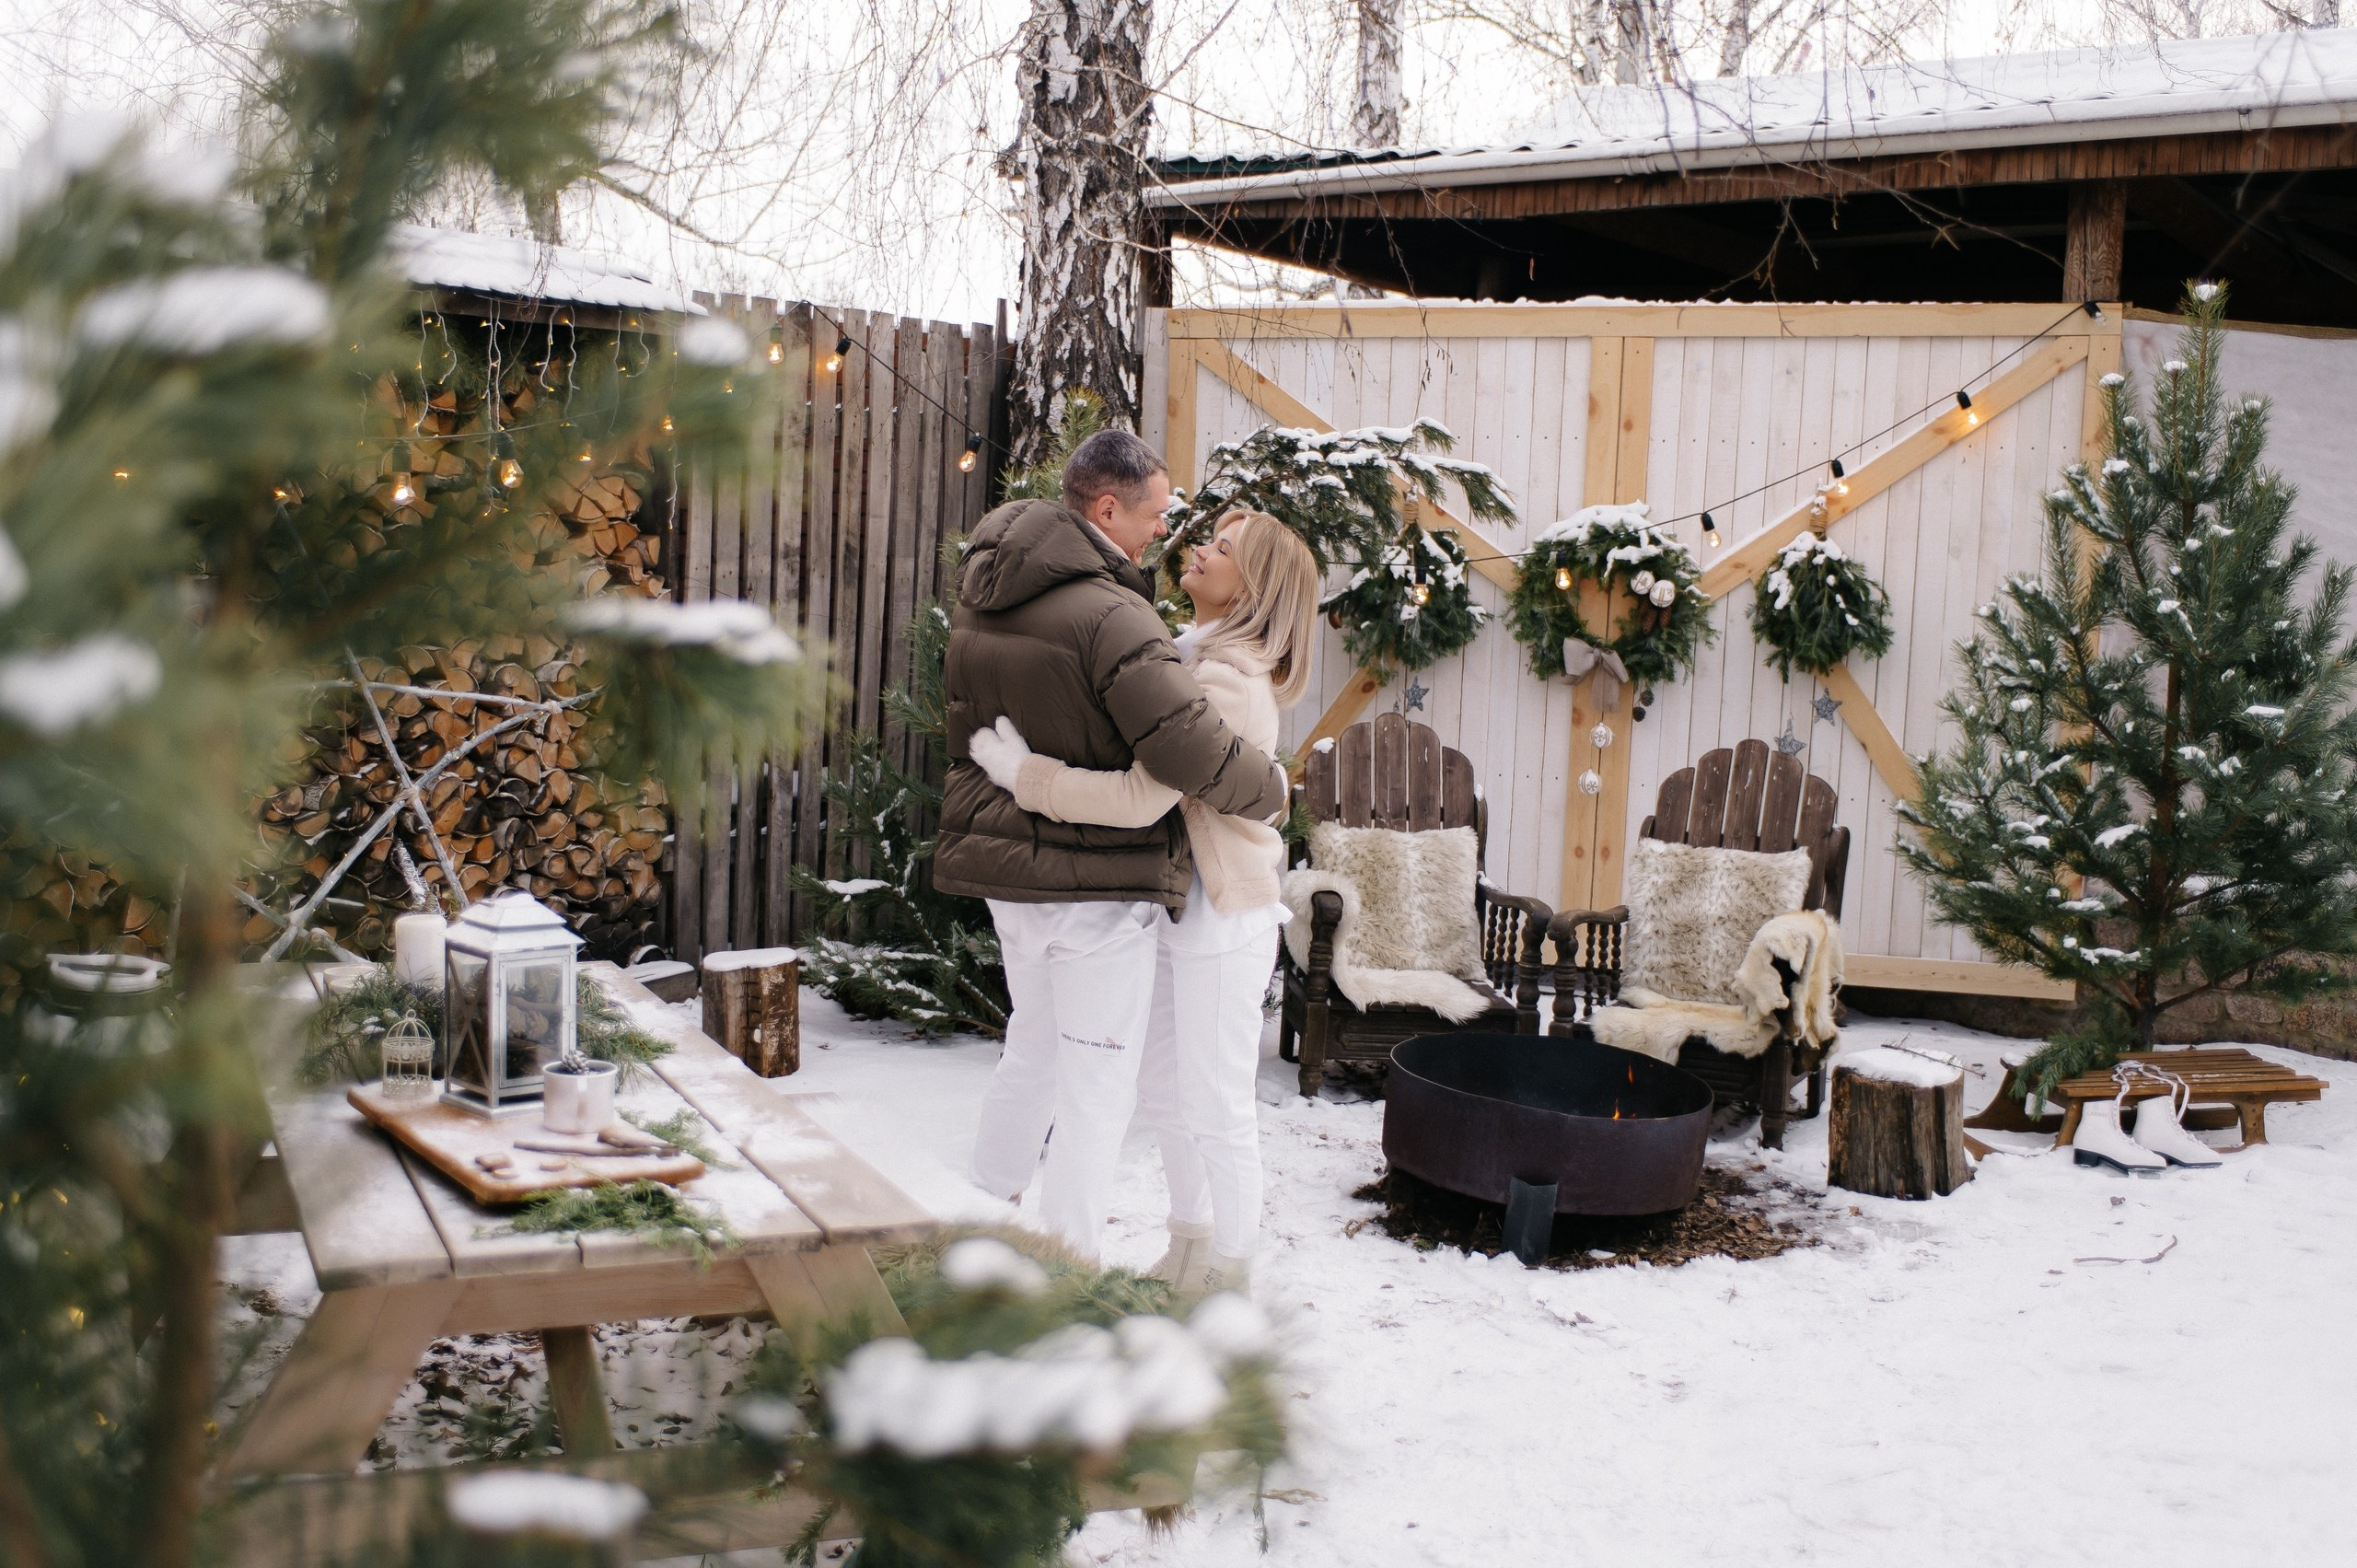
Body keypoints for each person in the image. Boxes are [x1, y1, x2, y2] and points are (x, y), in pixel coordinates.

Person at [935, 431, 1287, 1262]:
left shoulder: (984, 593)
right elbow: (1186, 756)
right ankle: (1070, 1270)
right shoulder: (1113, 613)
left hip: (1005, 873)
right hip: (1092, 887)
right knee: (1097, 1086)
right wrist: (1270, 789)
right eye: (1159, 514)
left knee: (1031, 1052)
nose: (1169, 532)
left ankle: (975, 1234)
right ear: (1106, 509)